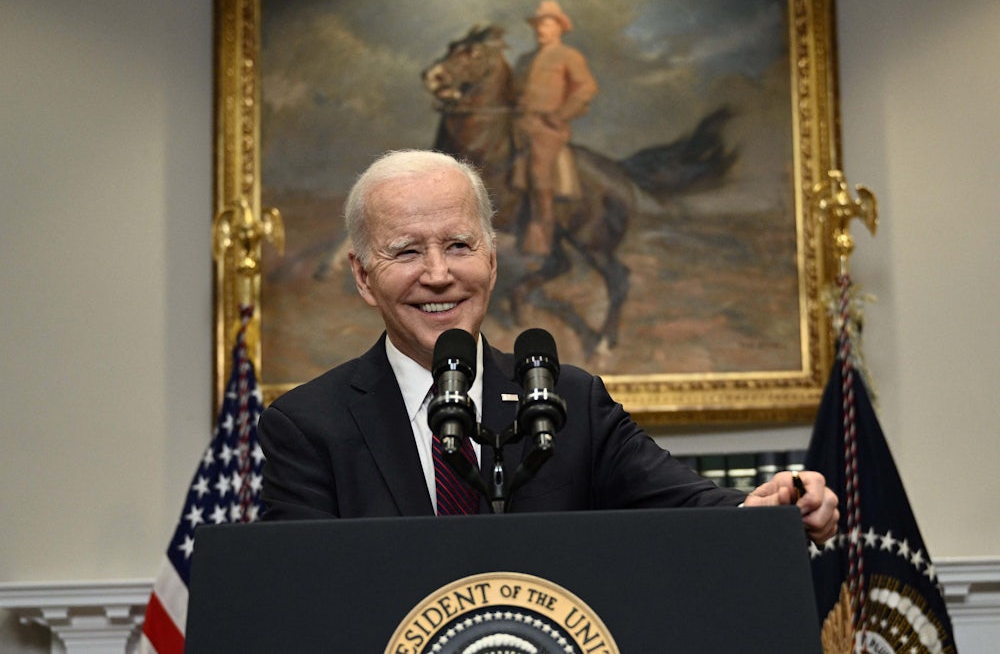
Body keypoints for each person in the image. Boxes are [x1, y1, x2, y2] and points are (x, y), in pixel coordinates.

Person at [258, 149, 839, 544]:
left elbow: (682, 504)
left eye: (459, 245)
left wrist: (769, 509)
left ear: (491, 256)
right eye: (407, 251)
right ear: (362, 276)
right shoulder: (307, 425)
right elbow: (305, 592)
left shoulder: (569, 400)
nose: (438, 275)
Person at [512, 0, 598, 257]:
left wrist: (561, 115)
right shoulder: (525, 59)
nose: (541, 30)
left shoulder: (569, 56)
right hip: (518, 124)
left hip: (547, 128)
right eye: (539, 25)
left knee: (540, 173)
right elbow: (514, 92)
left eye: (548, 25)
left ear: (560, 28)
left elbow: (587, 88)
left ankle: (542, 235)